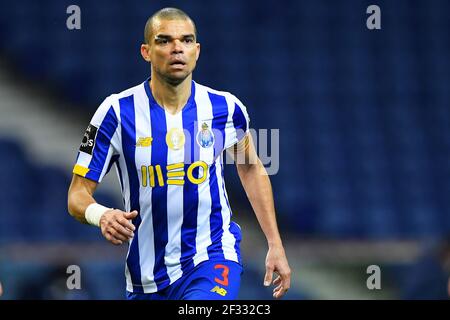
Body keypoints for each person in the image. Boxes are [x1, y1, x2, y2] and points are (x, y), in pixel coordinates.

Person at [67, 7, 290, 300]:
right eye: (164, 41)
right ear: (146, 52)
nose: (177, 49)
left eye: (186, 41)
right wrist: (102, 215)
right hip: (145, 276)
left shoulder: (224, 109)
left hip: (211, 256)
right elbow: (77, 196)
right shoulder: (116, 113)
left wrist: (275, 243)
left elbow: (250, 167)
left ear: (196, 51)